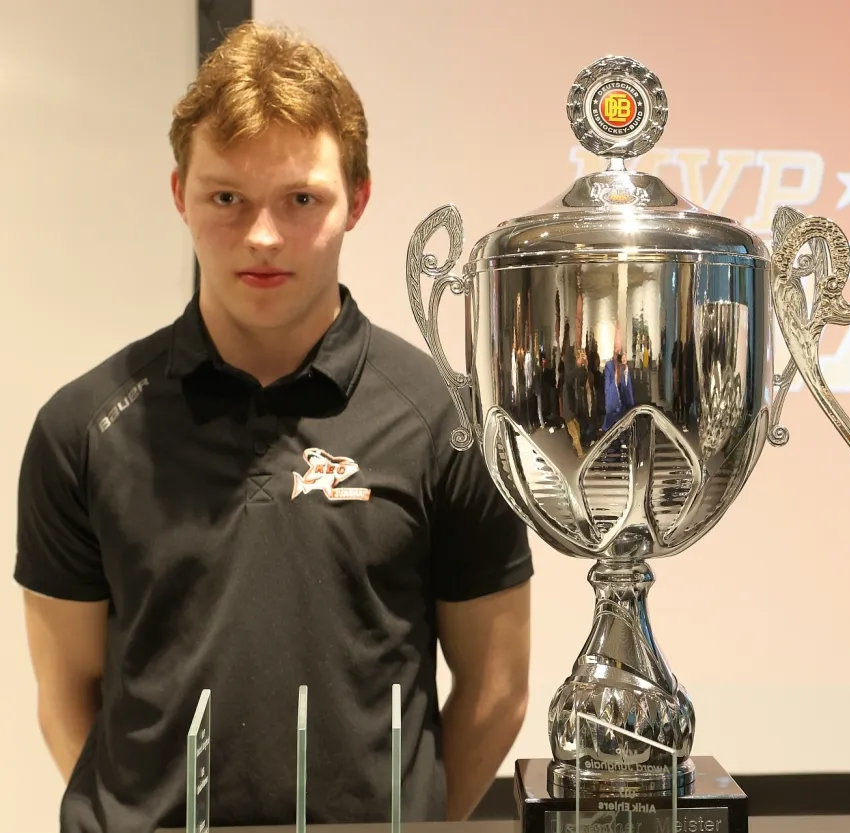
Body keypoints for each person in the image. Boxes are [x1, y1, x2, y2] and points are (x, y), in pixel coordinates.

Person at [14, 19, 533, 832]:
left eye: (301, 199)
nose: (262, 235)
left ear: (357, 200)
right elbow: (64, 696)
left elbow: (497, 688)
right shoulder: (83, 426)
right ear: (179, 193)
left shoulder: (449, 421)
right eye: (227, 197)